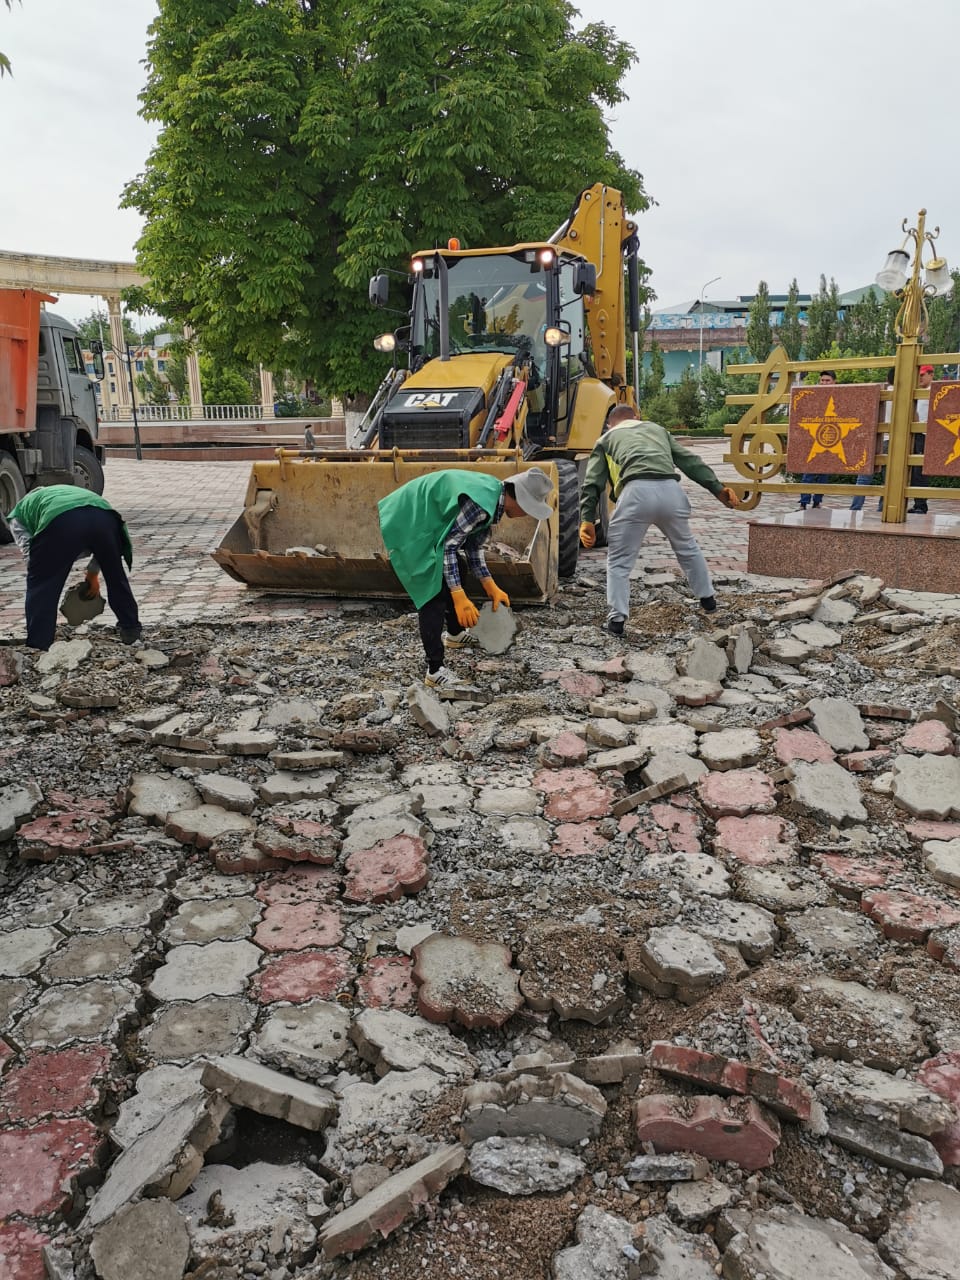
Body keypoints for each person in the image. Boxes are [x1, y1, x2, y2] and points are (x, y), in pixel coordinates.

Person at [377, 466, 555, 688]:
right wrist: (459, 595)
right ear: (519, 499)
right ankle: (435, 671)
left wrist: (489, 584)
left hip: (424, 518)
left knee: (458, 567)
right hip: (408, 520)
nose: (527, 514)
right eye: (529, 508)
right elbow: (450, 547)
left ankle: (455, 634)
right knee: (432, 590)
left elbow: (472, 546)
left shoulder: (493, 497)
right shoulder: (481, 504)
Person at [578, 405, 739, 635]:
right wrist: (718, 489)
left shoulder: (606, 438)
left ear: (610, 424)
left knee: (619, 561)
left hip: (635, 494)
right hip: (671, 491)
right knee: (687, 548)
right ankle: (708, 601)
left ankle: (616, 621)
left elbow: (592, 482)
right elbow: (689, 462)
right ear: (636, 417)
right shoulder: (657, 429)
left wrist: (586, 519)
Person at [7, 485, 141, 651]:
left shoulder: (18, 514)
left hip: (62, 521)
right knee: (115, 575)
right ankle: (131, 629)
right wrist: (92, 574)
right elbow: (104, 550)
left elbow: (29, 552)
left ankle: (39, 645)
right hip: (105, 517)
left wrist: (42, 571)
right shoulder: (68, 492)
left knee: (42, 587)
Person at [851, 370, 893, 512]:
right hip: (889, 440)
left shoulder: (878, 392)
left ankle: (855, 507)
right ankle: (883, 509)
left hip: (871, 439)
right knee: (888, 479)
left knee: (863, 477)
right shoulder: (902, 396)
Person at [798, 370, 838, 509]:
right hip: (814, 439)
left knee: (824, 474)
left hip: (831, 440)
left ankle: (817, 502)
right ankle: (803, 502)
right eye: (822, 380)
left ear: (834, 382)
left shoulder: (839, 397)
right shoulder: (813, 397)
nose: (824, 383)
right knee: (808, 473)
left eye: (827, 380)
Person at [910, 364, 934, 514]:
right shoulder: (915, 391)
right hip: (915, 433)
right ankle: (917, 503)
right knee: (914, 470)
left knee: (920, 469)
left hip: (926, 434)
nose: (920, 378)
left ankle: (921, 505)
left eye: (922, 375)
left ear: (931, 375)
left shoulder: (934, 392)